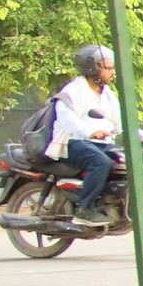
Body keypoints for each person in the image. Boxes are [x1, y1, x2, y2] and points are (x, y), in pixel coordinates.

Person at [46, 44, 125, 219]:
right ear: (92, 68)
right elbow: (68, 120)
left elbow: (118, 122)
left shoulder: (108, 94)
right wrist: (90, 132)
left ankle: (110, 203)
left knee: (126, 161)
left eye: (113, 68)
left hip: (100, 144)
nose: (113, 72)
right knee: (101, 162)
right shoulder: (73, 91)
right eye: (108, 68)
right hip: (73, 142)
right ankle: (84, 209)